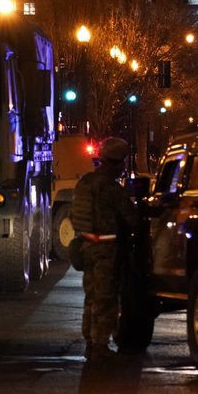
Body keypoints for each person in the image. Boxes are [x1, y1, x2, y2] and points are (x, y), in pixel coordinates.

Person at [71, 137, 138, 362]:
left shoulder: (85, 183)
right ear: (117, 162)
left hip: (86, 246)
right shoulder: (110, 187)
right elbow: (131, 218)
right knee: (106, 298)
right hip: (106, 248)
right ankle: (100, 346)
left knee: (91, 296)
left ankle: (90, 344)